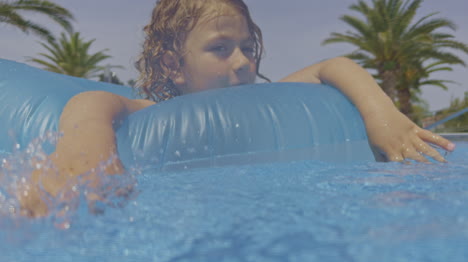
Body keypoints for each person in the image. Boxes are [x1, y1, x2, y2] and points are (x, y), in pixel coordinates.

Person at [19, 0, 455, 218]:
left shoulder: (266, 111)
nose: (244, 62)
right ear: (173, 65)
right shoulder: (150, 114)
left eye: (247, 47)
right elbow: (92, 102)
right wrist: (85, 155)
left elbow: (332, 65)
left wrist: (386, 119)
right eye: (221, 49)